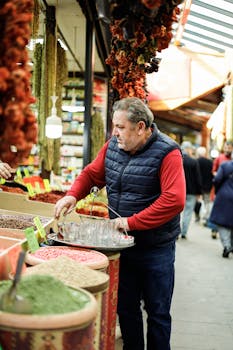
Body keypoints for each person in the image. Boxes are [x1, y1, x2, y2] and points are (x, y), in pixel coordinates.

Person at [54, 97, 186, 350]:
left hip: (155, 248)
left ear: (140, 126)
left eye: (120, 127)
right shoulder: (112, 146)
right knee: (126, 308)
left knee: (157, 312)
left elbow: (174, 200)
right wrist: (72, 195)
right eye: (114, 126)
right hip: (122, 245)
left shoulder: (168, 152)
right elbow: (92, 174)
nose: (115, 133)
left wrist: (131, 222)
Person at [209, 160, 233, 258]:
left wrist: (218, 190)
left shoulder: (225, 165)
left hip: (224, 195)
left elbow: (217, 179)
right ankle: (231, 245)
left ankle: (227, 246)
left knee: (222, 223)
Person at [209, 140, 233, 238]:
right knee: (218, 210)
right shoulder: (219, 158)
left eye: (229, 148)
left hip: (227, 187)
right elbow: (214, 172)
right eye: (226, 147)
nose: (227, 149)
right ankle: (214, 230)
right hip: (221, 188)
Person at [180, 141, 202, 239]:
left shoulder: (178, 159)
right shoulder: (193, 161)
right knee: (188, 212)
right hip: (191, 192)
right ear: (188, 149)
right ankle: (184, 232)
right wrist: (199, 192)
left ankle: (177, 232)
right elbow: (198, 178)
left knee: (177, 213)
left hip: (179, 190)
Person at [195, 146, 213, 225]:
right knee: (207, 202)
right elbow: (212, 174)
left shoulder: (196, 161)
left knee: (198, 202)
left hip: (198, 186)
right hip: (208, 186)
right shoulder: (210, 162)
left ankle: (198, 216)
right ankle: (205, 217)